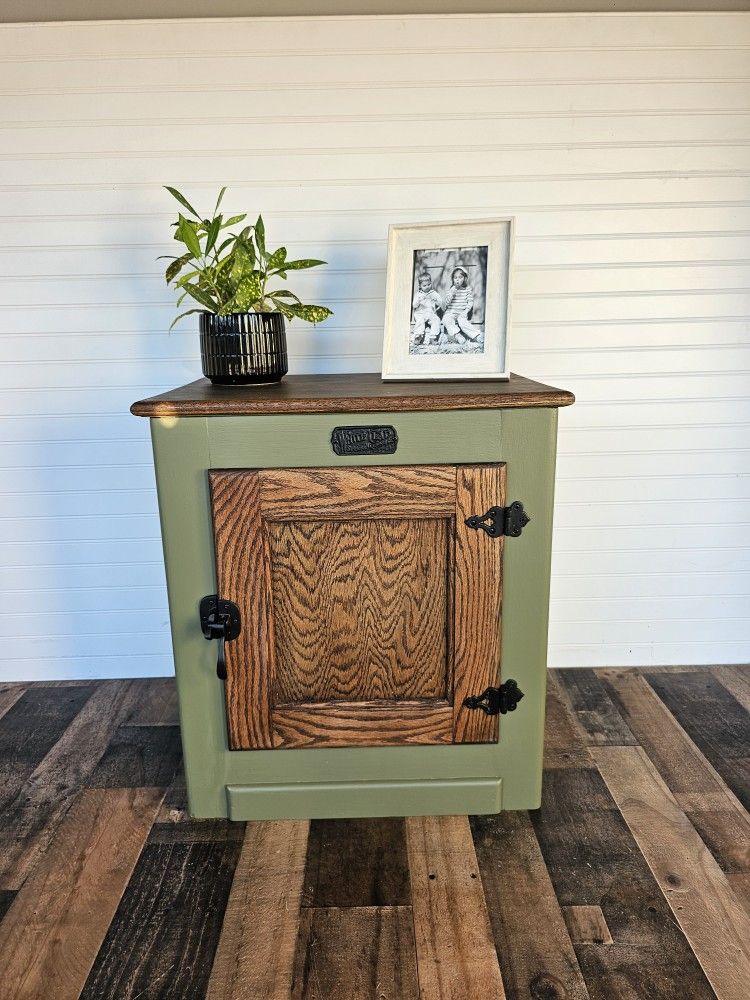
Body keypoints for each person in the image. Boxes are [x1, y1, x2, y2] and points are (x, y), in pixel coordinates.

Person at [442, 266, 482, 343]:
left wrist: (466, 311)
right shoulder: (451, 289)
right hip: (451, 312)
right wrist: (451, 294)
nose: (457, 279)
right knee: (446, 319)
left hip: (462, 312)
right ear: (453, 279)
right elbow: (446, 303)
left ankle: (477, 336)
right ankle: (457, 335)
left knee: (463, 322)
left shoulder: (467, 289)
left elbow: (470, 301)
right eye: (455, 278)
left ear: (464, 279)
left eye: (460, 277)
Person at [411, 272, 443, 346]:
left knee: (436, 319)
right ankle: (418, 336)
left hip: (430, 312)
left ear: (431, 283)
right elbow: (414, 305)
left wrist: (436, 300)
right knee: (420, 321)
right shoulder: (418, 294)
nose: (427, 287)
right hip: (420, 313)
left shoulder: (433, 293)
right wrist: (418, 301)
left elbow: (440, 302)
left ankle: (433, 337)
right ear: (420, 286)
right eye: (424, 285)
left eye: (429, 284)